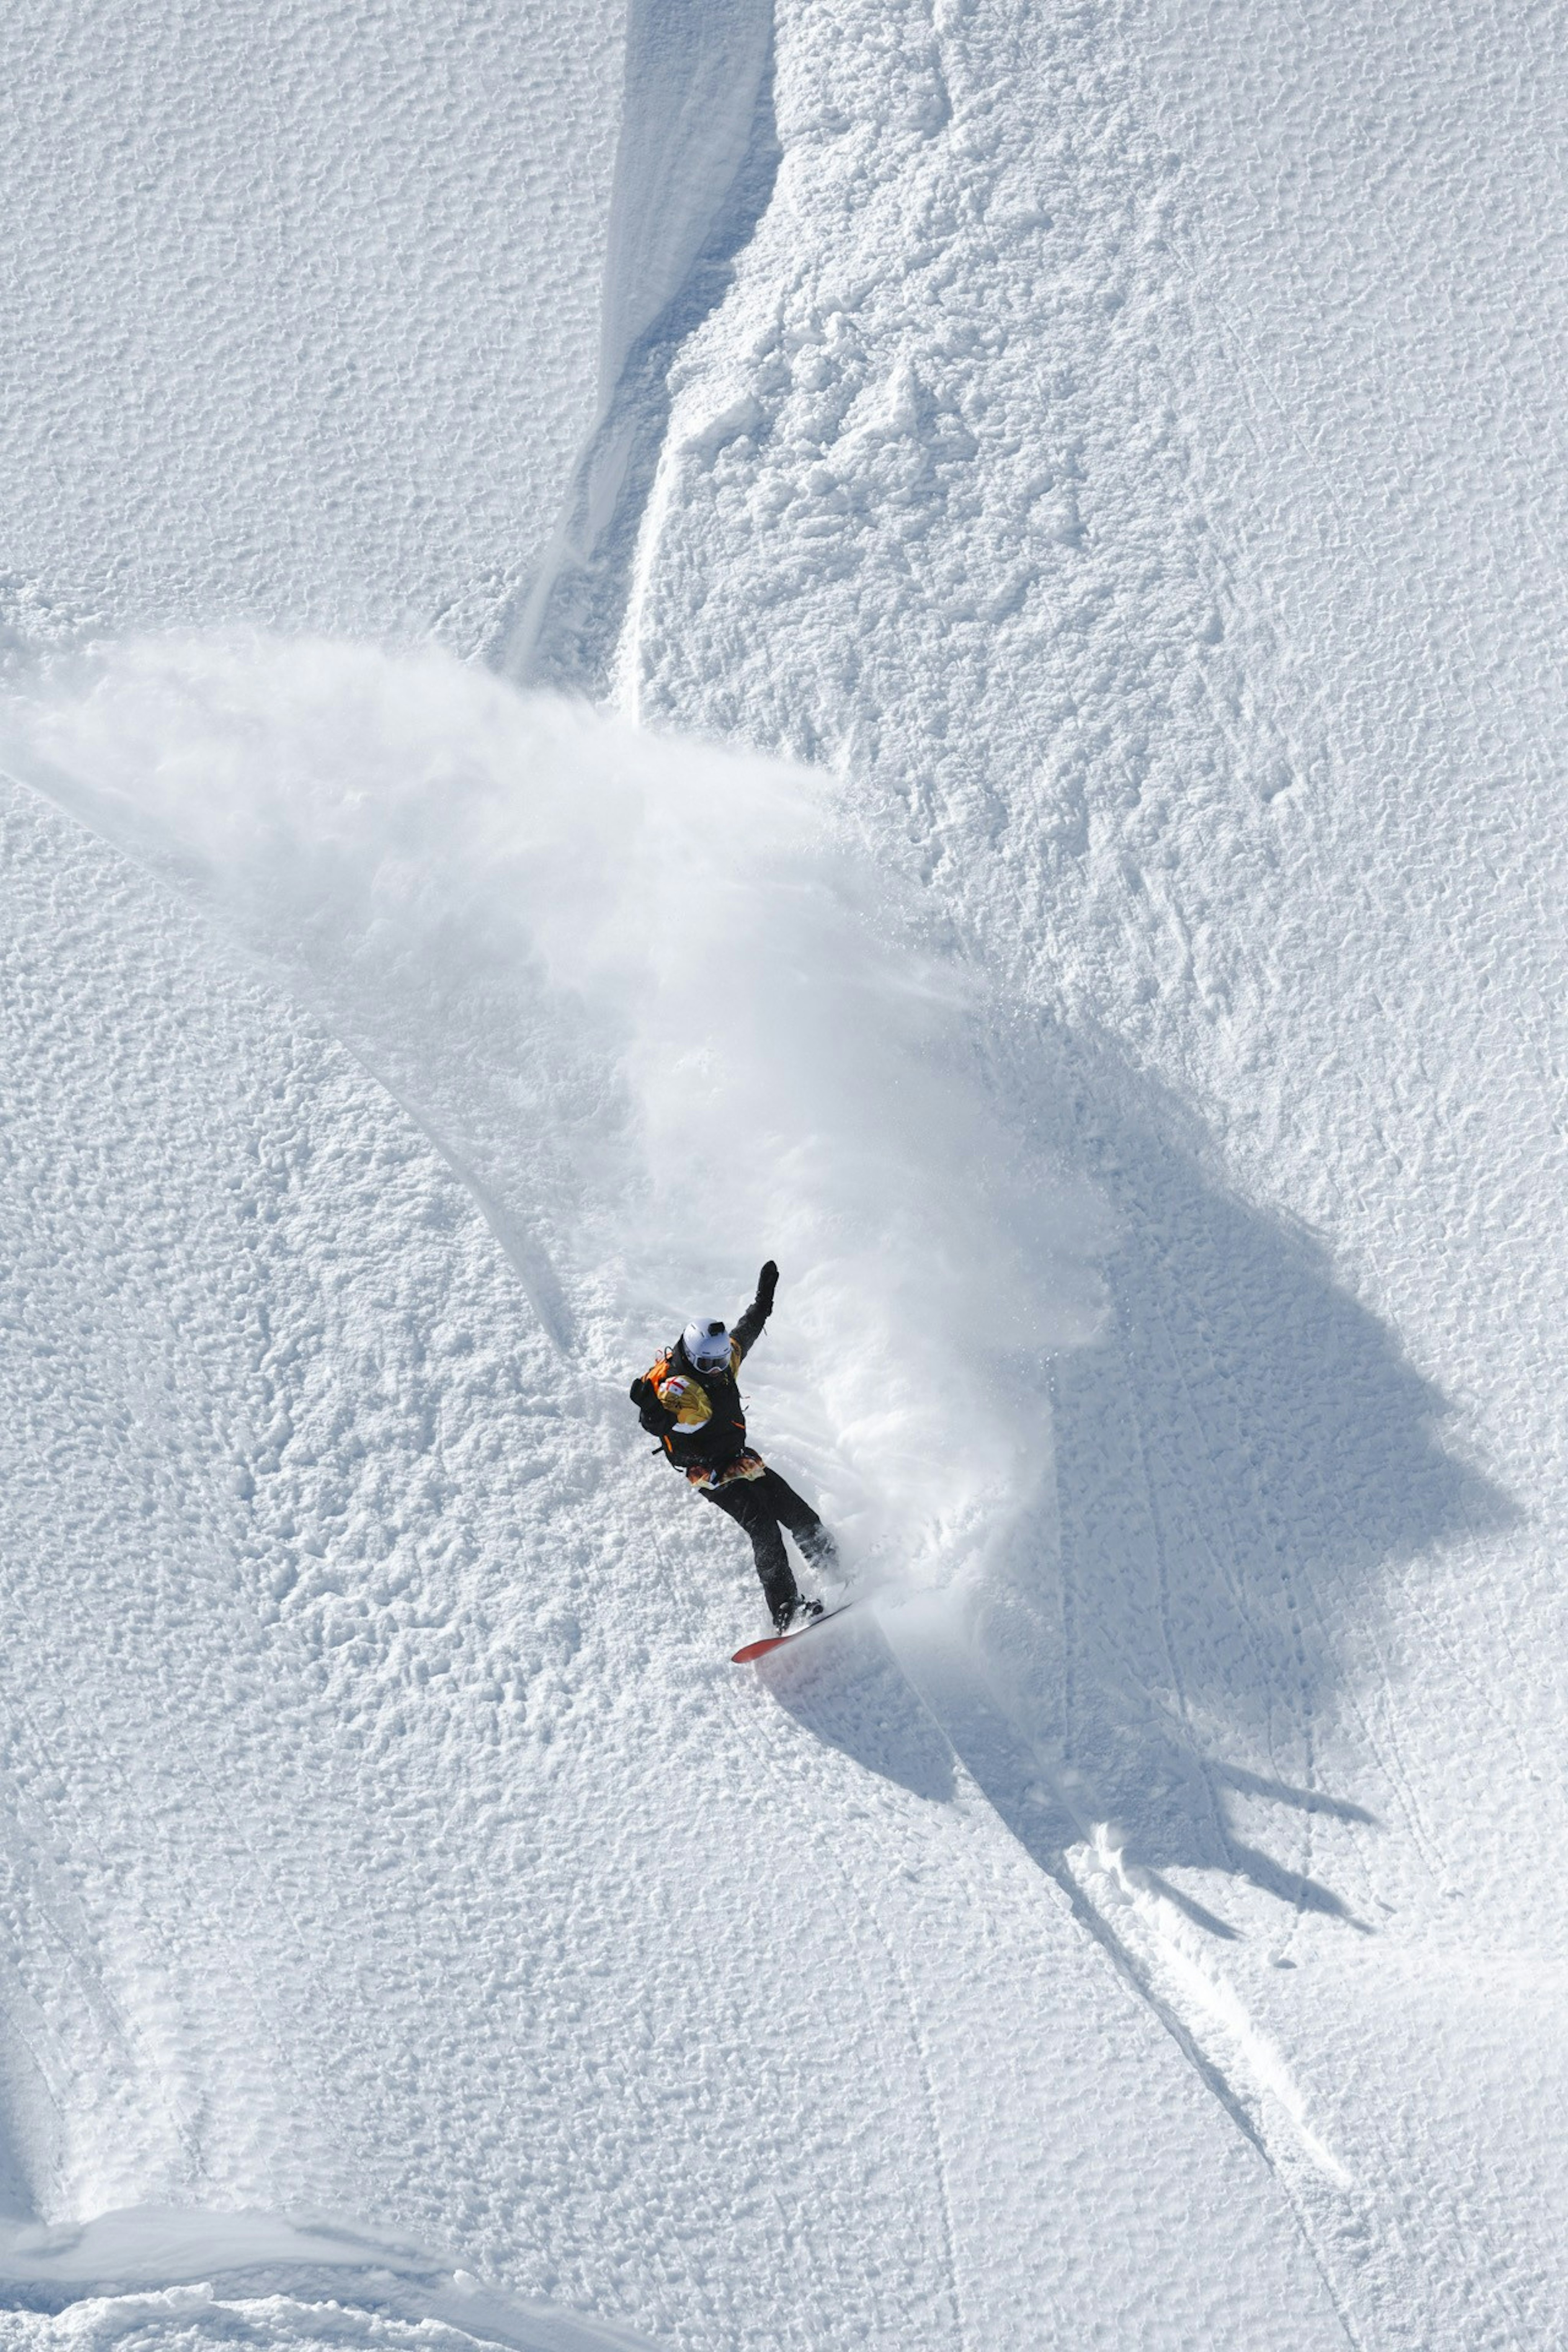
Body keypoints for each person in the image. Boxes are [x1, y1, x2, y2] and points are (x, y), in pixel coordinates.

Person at [630, 1259, 838, 1632]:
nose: (717, 1369)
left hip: (738, 1458)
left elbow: (748, 1330)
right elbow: (665, 1416)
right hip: (708, 1469)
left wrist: (764, 1300)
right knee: (763, 1527)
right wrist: (654, 1419)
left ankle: (836, 1570)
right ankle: (787, 1611)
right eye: (708, 1363)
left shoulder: (723, 1362)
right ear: (693, 1358)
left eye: (720, 1360)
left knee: (795, 1510)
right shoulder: (682, 1390)